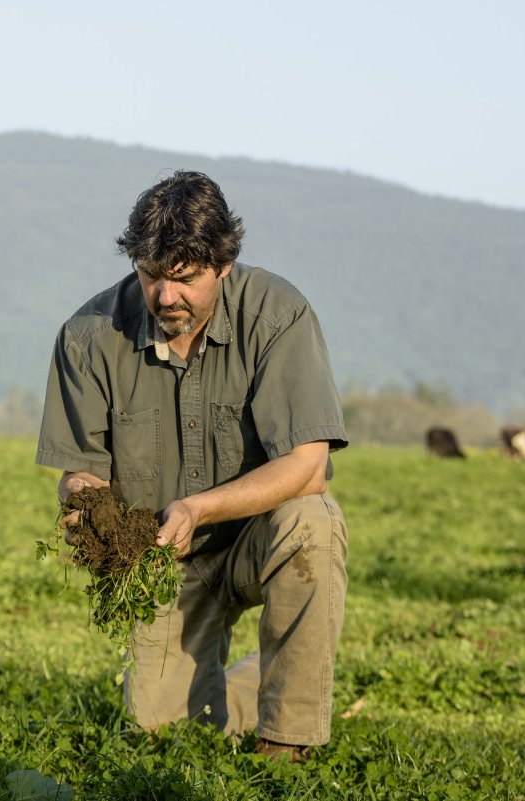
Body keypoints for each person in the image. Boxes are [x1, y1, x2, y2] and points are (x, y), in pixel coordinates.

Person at [36, 170, 349, 763]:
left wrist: (198, 508)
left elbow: (308, 466)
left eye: (184, 279)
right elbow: (80, 471)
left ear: (223, 265)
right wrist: (84, 505)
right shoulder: (87, 337)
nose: (165, 296)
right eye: (150, 275)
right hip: (164, 563)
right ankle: (270, 674)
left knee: (314, 521)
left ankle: (287, 745)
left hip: (259, 536)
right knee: (162, 735)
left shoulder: (278, 315)